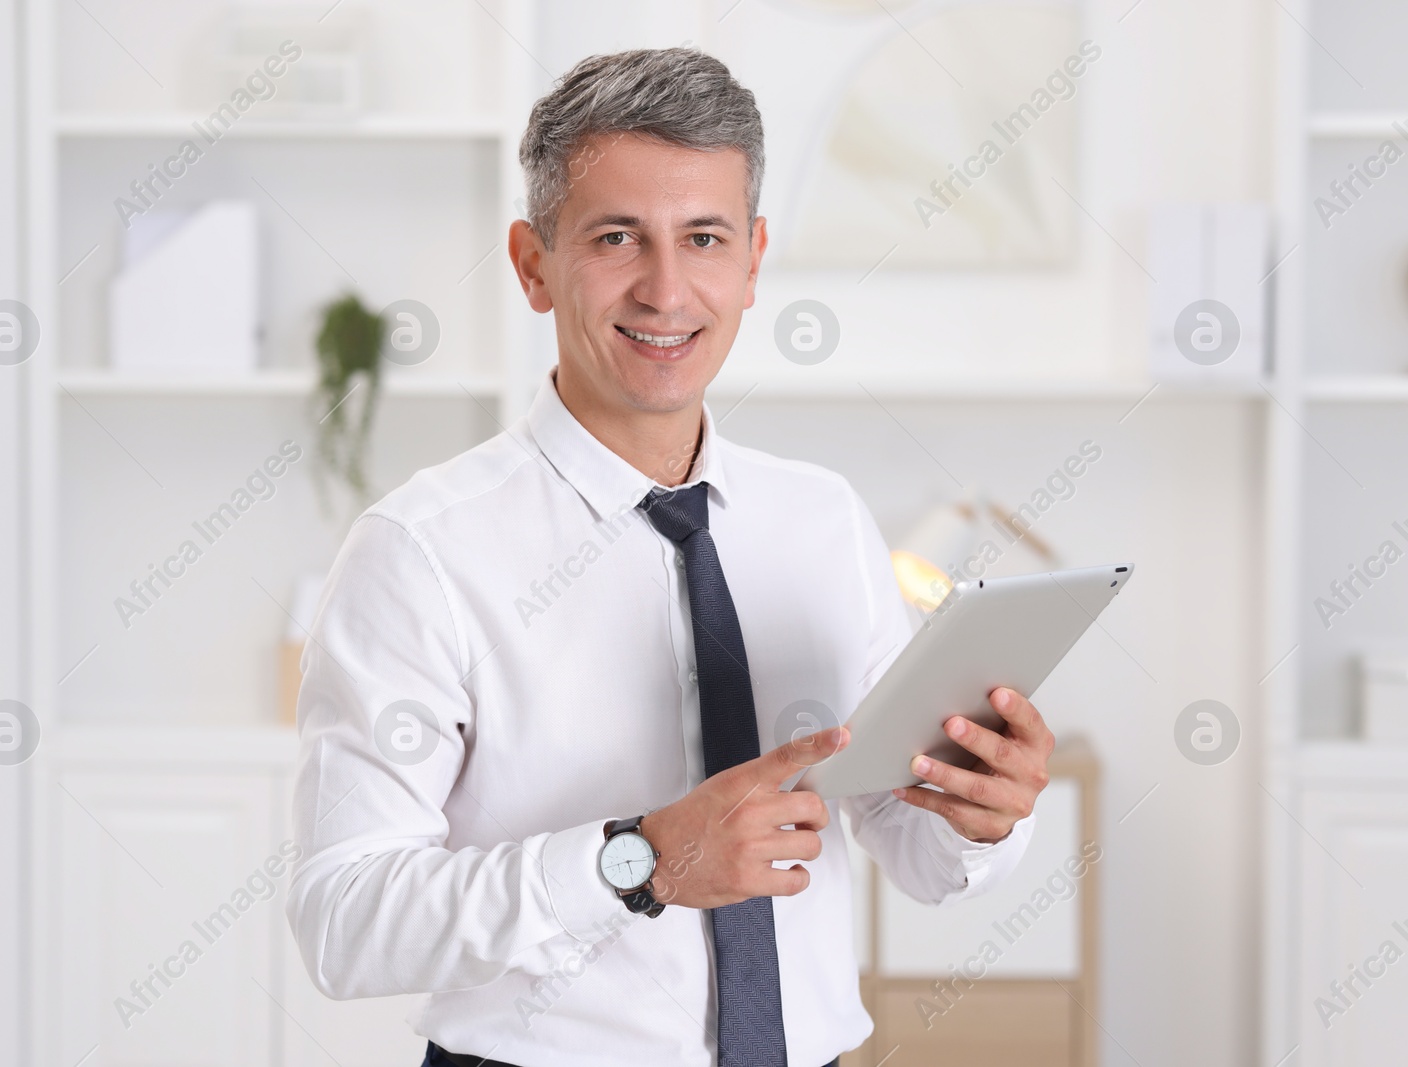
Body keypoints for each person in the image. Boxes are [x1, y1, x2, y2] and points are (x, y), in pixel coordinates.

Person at [286, 47, 1053, 1067]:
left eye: (703, 237)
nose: (665, 287)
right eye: (616, 237)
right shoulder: (420, 550)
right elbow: (344, 919)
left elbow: (909, 848)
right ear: (532, 263)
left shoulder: (820, 519)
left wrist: (980, 815)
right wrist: (638, 857)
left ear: (751, 262)